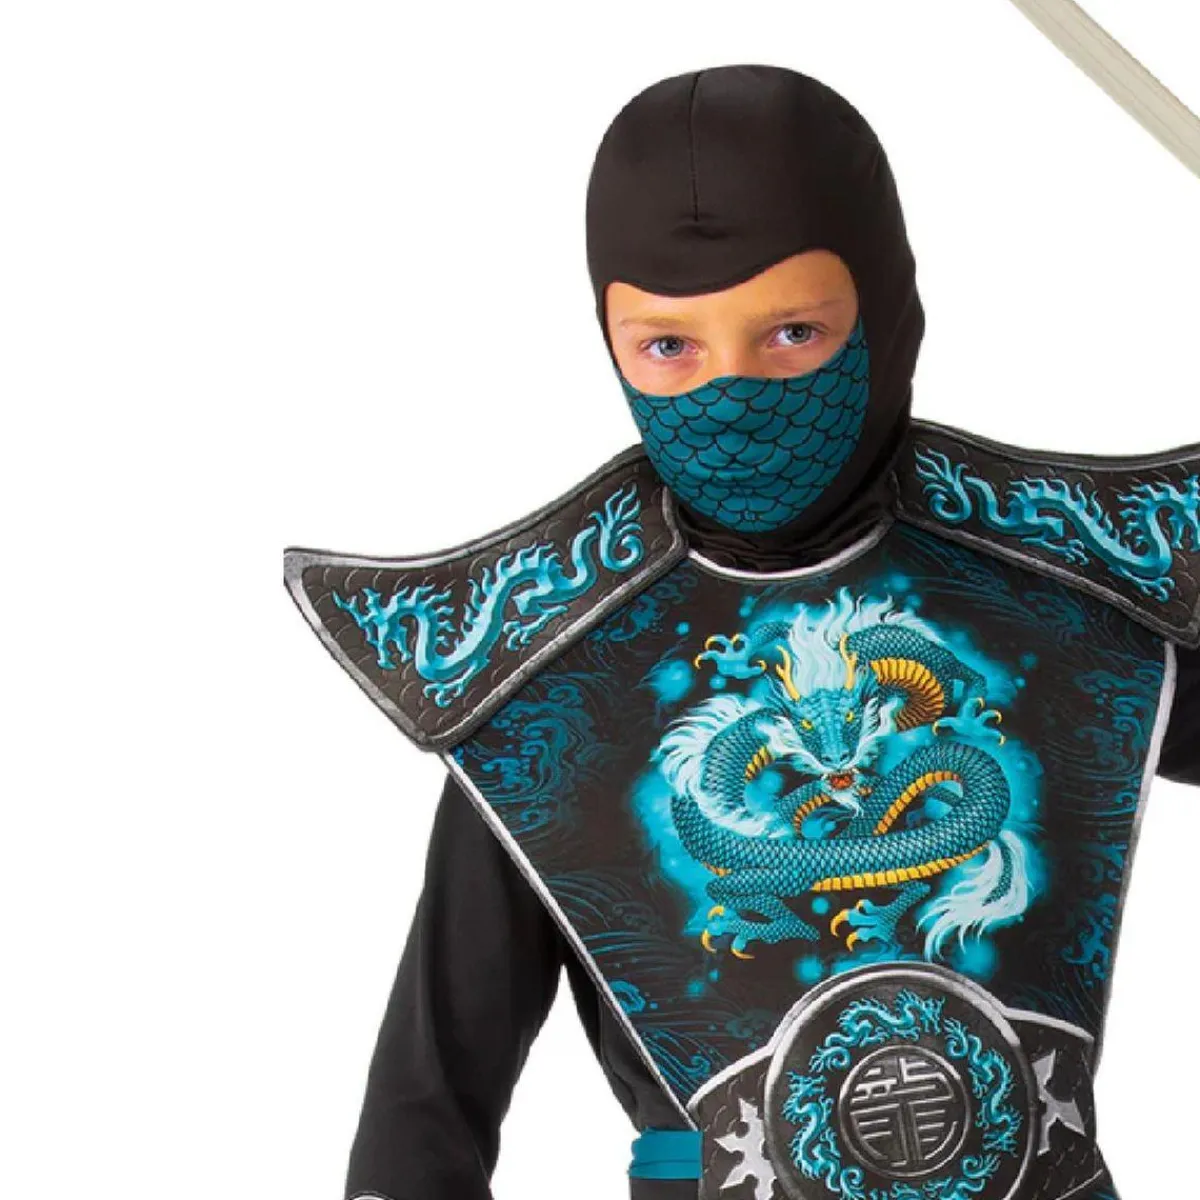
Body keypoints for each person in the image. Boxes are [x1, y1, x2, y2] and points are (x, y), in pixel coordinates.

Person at [285, 63, 1200, 1200]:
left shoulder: (1059, 599)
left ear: (884, 309)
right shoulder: (552, 680)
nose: (733, 394)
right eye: (670, 346)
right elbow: (427, 1108)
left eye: (793, 331)